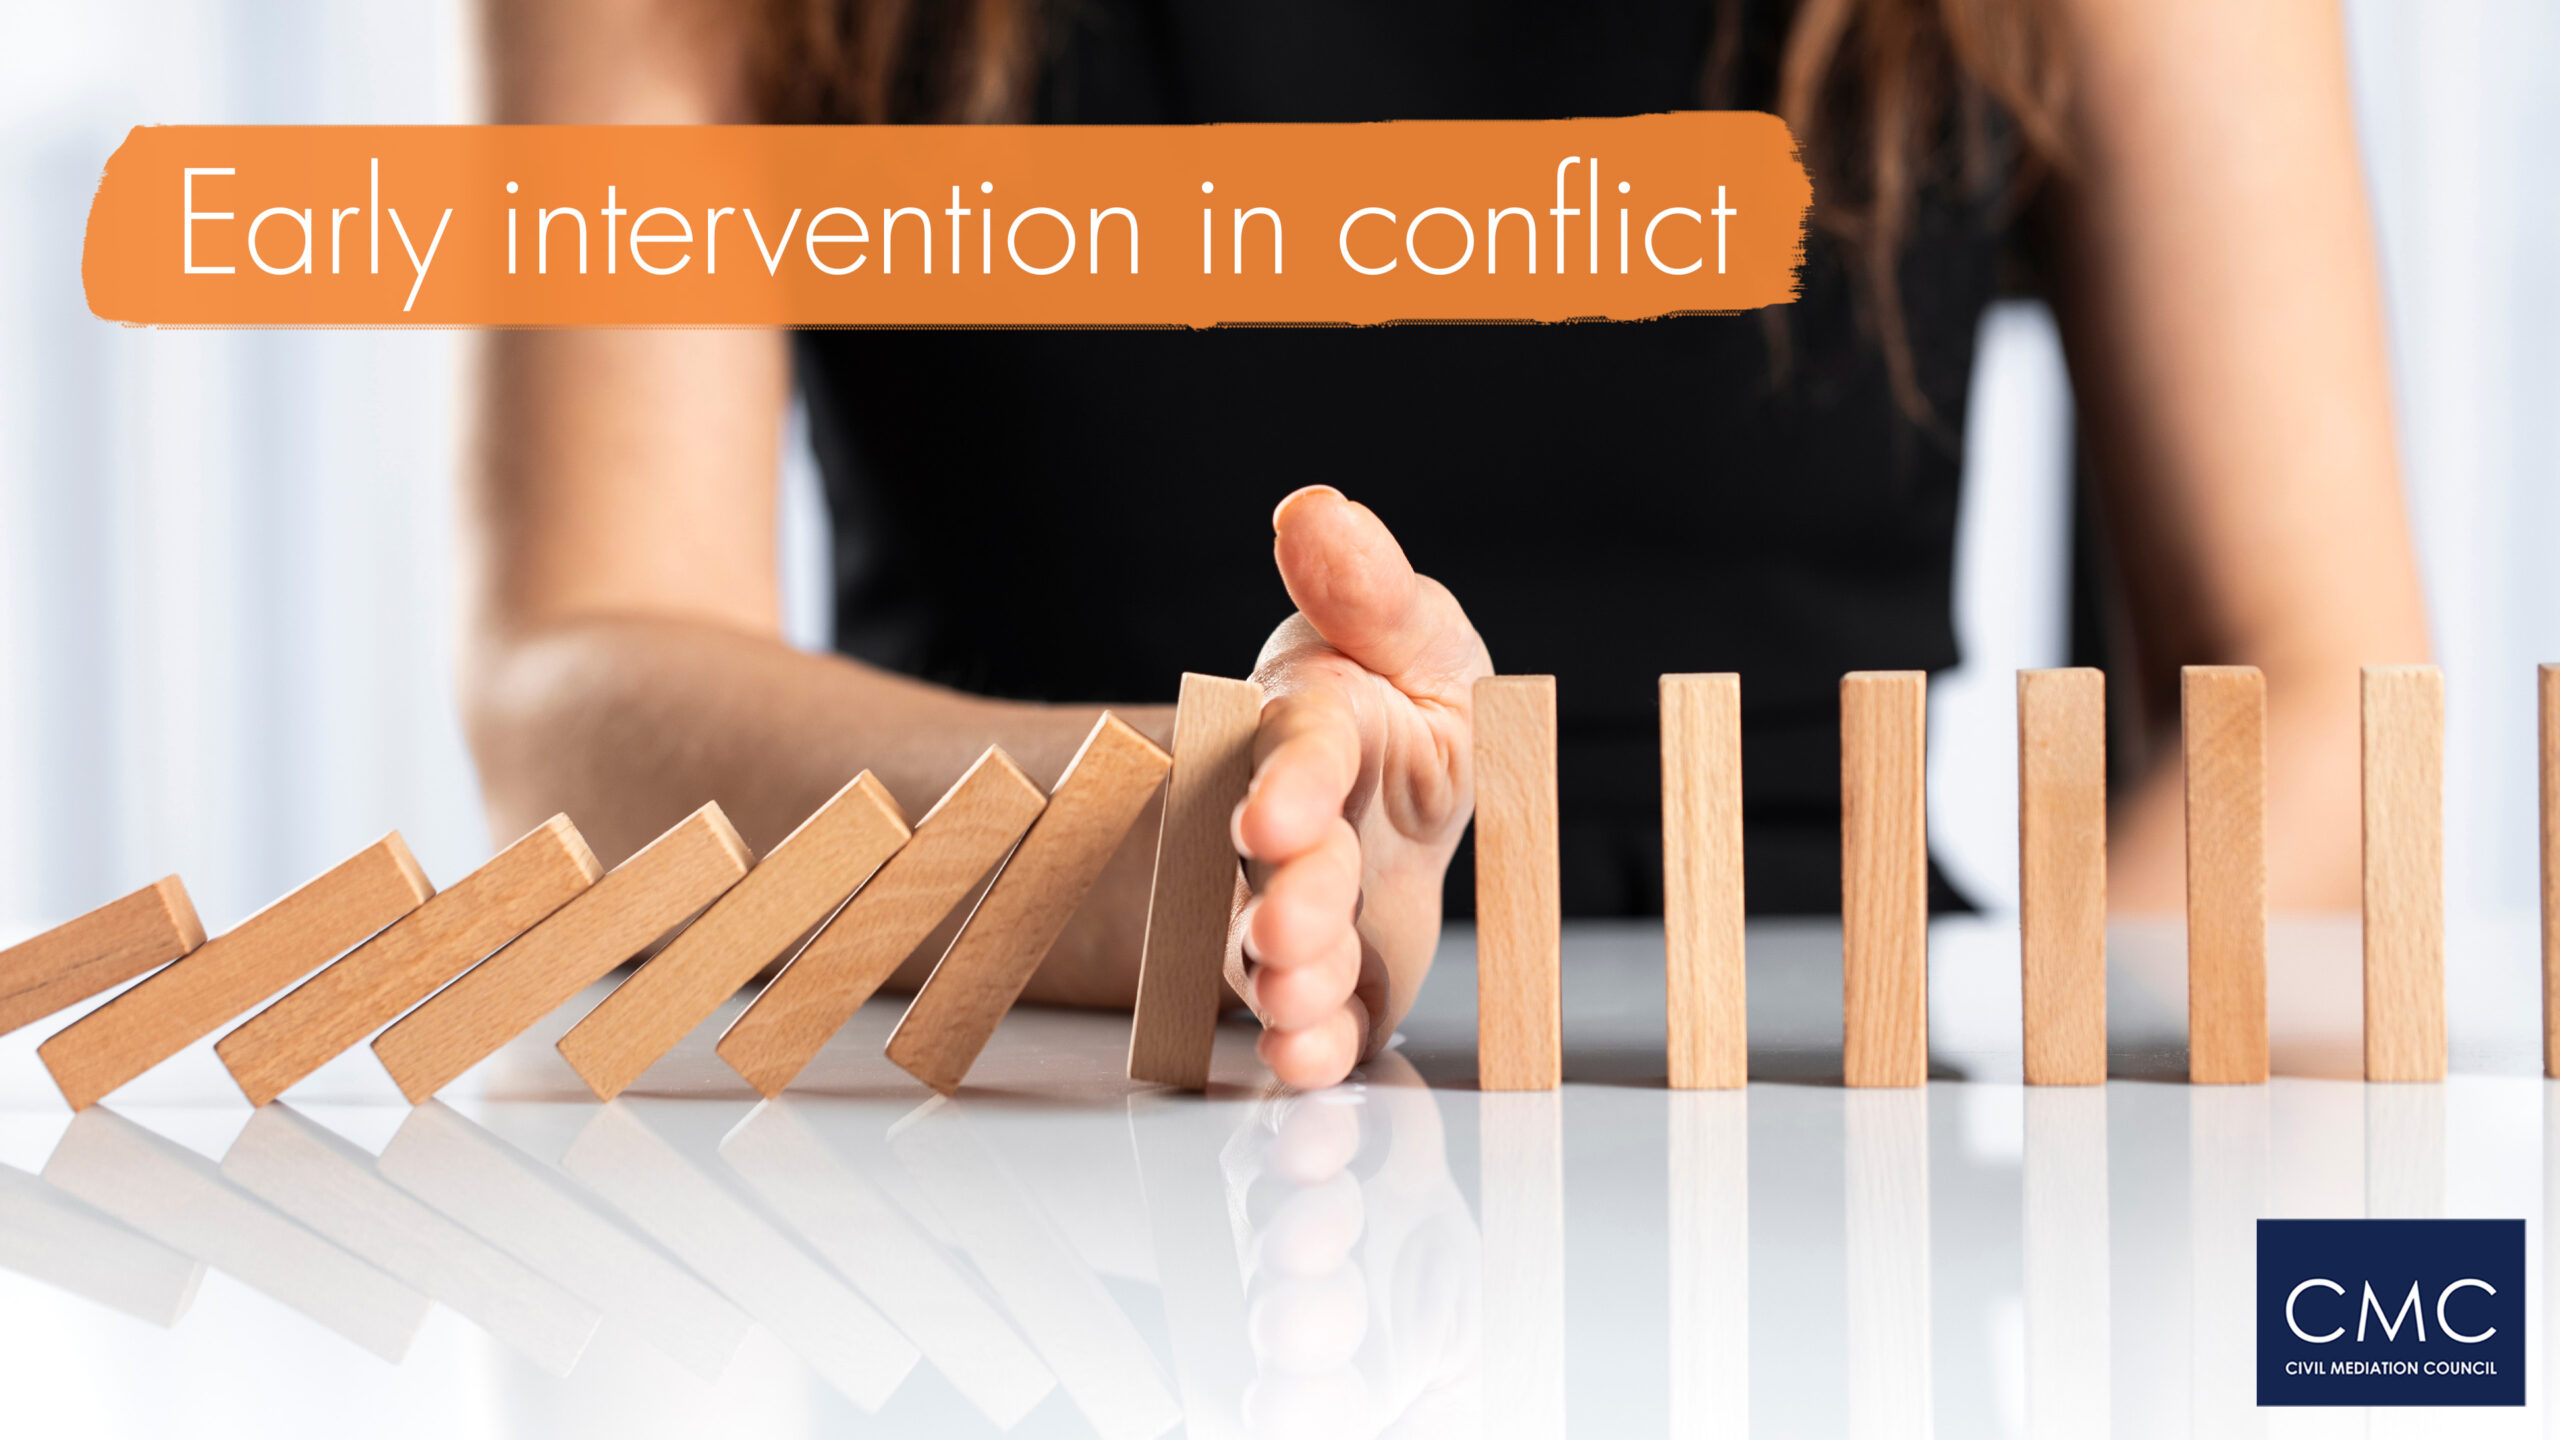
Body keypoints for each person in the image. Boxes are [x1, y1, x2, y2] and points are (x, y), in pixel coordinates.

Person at [461, 0, 2429, 1090]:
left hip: (1847, 1132)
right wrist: (1157, 841)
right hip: (1052, 1120)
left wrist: (2031, 1104)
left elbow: (2326, 683)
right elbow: (575, 681)